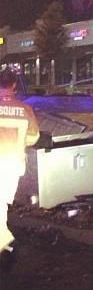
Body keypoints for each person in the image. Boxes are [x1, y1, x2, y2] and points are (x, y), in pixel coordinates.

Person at [0, 67, 39, 265]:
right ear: (14, 84)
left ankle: (7, 244)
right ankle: (6, 244)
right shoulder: (25, 109)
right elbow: (33, 137)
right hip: (13, 163)